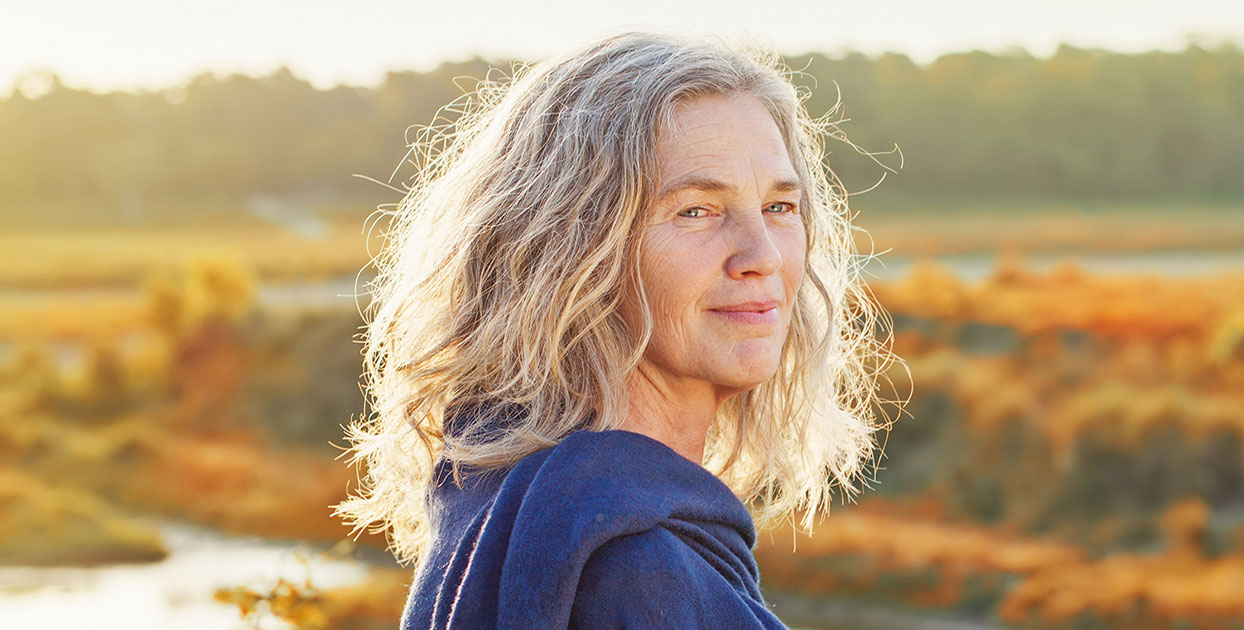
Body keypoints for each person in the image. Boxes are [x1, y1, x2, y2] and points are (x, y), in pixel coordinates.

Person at [333, 30, 897, 629]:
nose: (762, 255)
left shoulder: (506, 506)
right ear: (572, 250)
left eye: (780, 207)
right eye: (696, 211)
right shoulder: (633, 574)